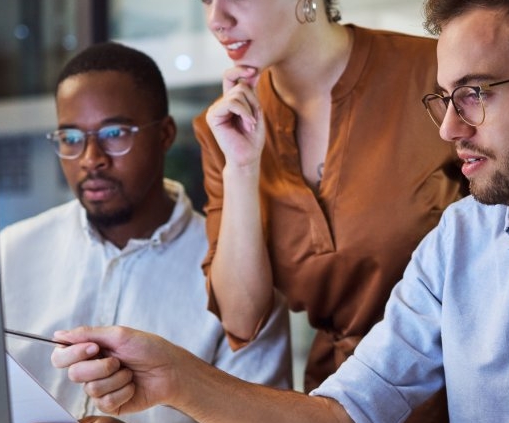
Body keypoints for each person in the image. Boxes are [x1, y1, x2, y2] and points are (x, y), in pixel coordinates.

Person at [50, 1, 509, 422]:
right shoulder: (461, 237)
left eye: (476, 93)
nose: (449, 130)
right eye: (445, 97)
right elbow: (345, 410)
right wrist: (175, 380)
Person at [0, 42, 291, 423]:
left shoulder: (238, 278)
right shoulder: (10, 253)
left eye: (115, 133)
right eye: (71, 138)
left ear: (165, 134)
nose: (91, 158)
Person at [196, 0, 463, 409]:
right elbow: (242, 319)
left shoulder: (436, 74)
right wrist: (242, 167)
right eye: (205, 0)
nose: (217, 19)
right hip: (336, 399)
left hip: (464, 390)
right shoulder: (225, 125)